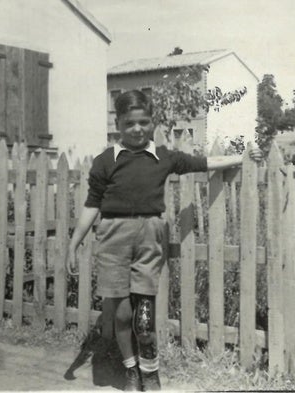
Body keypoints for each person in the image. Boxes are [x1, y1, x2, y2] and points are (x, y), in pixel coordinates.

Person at [66, 90, 262, 391]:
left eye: (144, 122)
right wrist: (73, 243)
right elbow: (92, 204)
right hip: (112, 239)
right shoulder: (105, 161)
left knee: (144, 316)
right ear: (118, 123)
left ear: (152, 122)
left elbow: (204, 162)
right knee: (120, 313)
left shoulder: (163, 157)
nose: (137, 129)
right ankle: (130, 367)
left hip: (149, 237)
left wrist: (242, 157)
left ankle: (150, 370)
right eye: (130, 123)